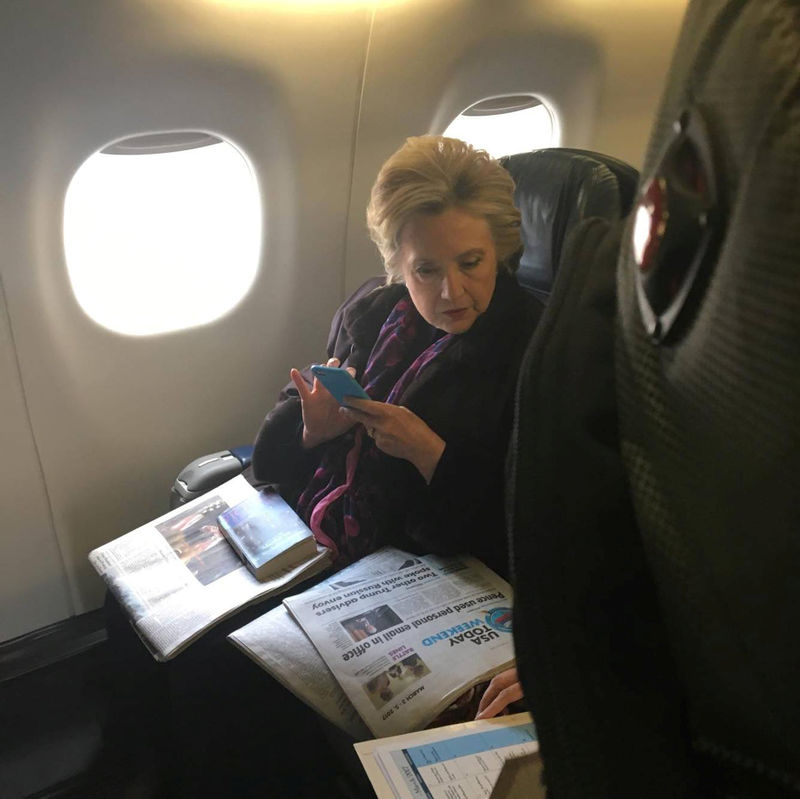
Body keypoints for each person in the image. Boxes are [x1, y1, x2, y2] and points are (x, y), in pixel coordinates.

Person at [252, 135, 543, 578]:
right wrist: (312, 432)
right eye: (426, 270)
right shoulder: (372, 312)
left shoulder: (531, 348)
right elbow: (272, 459)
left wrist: (431, 456)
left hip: (410, 565)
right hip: (310, 524)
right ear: (398, 264)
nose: (453, 292)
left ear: (498, 252)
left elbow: (529, 525)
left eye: (471, 262)